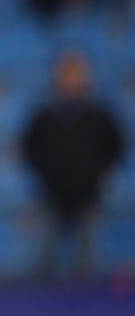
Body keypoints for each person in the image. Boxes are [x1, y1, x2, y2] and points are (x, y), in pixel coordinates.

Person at [22, 52, 126, 279]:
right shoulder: (45, 116)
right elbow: (29, 147)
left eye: (77, 74)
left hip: (88, 193)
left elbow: (116, 146)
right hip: (52, 193)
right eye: (67, 75)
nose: (72, 80)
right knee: (44, 256)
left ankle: (88, 310)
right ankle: (41, 305)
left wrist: (98, 171)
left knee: (87, 258)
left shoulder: (99, 115)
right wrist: (46, 172)